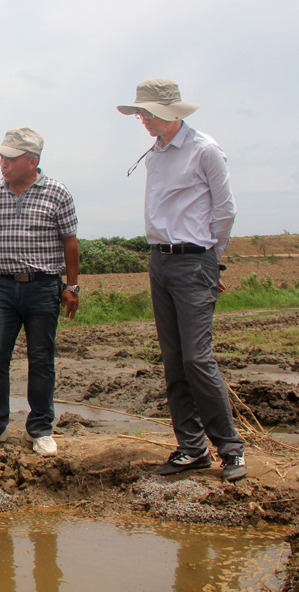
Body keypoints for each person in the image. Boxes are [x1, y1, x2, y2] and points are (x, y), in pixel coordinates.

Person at [117, 78, 246, 482]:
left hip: (195, 262)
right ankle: (192, 449)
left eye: (147, 113)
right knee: (174, 361)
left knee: (197, 358)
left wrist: (211, 261)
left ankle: (231, 449)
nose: (143, 120)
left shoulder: (204, 150)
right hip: (160, 262)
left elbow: (225, 211)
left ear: (171, 112)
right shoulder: (155, 154)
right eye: (140, 113)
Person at [0, 128, 79, 457]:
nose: (3, 164)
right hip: (4, 286)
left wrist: (71, 286)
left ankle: (41, 429)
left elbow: (70, 242)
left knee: (42, 359)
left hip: (44, 287)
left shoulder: (57, 193)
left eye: (11, 158)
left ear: (32, 161)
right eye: (1, 157)